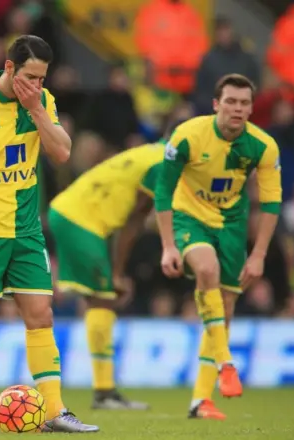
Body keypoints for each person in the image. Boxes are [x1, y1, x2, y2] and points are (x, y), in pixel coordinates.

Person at [0, 35, 98, 433]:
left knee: (41, 315)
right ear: (9, 68)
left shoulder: (41, 103)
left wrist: (38, 111)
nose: (38, 85)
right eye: (31, 76)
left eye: (43, 79)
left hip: (27, 230)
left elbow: (63, 152)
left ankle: (54, 411)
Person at [154, 73, 282, 420]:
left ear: (252, 108)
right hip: (187, 217)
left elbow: (271, 204)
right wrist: (168, 245)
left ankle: (199, 401)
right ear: (216, 104)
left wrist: (258, 255)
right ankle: (226, 361)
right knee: (206, 269)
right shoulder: (187, 136)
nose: (237, 109)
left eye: (244, 103)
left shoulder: (264, 146)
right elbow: (163, 191)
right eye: (231, 102)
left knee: (224, 309)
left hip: (231, 225)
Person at [46, 122, 184, 410]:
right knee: (102, 299)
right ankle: (104, 393)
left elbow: (129, 218)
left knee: (101, 298)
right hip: (80, 221)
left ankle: (105, 391)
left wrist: (116, 274)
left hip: (76, 216)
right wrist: (117, 274)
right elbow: (134, 222)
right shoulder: (164, 163)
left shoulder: (149, 153)